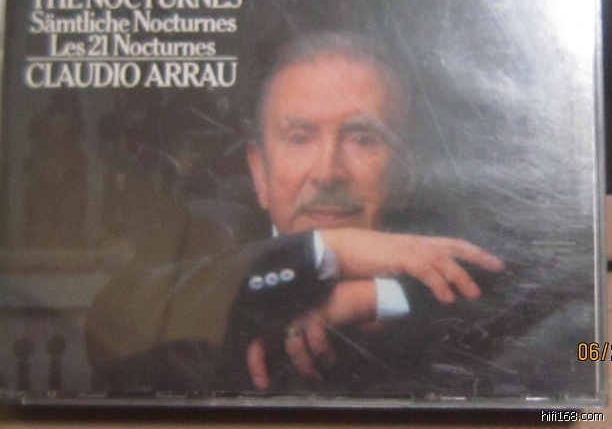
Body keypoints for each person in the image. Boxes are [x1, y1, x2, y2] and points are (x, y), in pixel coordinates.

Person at [85, 32, 507, 396]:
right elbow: (114, 320)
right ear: (259, 172)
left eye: (362, 139)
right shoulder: (207, 254)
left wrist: (377, 297)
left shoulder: (453, 257)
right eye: (300, 138)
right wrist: (326, 249)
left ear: (403, 173)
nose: (327, 173)